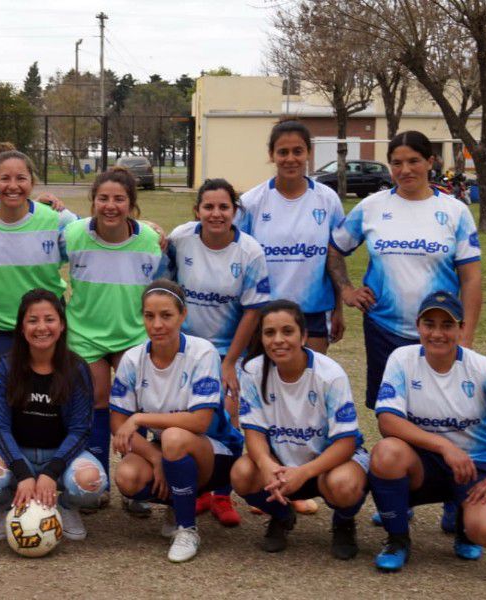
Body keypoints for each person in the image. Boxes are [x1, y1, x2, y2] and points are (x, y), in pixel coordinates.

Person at [328, 130, 482, 530]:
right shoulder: (373, 206)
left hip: (441, 336)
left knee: (448, 415)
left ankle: (453, 496)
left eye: (413, 160)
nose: (405, 169)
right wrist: (346, 289)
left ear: (430, 162)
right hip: (386, 331)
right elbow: (335, 247)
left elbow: (471, 278)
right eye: (396, 161)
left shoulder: (454, 211)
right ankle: (402, 497)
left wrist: (466, 338)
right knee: (391, 417)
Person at [369, 292, 486, 571]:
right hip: (426, 462)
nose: (437, 333)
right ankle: (397, 539)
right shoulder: (402, 359)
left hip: (475, 465)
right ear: (418, 326)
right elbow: (388, 421)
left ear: (462, 328)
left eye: (448, 325)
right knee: (385, 453)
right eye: (429, 324)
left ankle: (463, 518)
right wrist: (443, 446)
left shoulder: (480, 367)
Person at [237, 119, 346, 517]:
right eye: (282, 151)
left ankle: (300, 484)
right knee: (267, 402)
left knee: (305, 404)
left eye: (297, 151)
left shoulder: (328, 200)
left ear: (308, 154)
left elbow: (334, 254)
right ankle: (271, 485)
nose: (290, 158)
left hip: (312, 312)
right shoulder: (252, 202)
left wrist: (337, 303)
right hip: (264, 319)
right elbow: (235, 248)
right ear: (272, 155)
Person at [110, 280, 243, 563]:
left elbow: (200, 421)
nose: (157, 324)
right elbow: (118, 424)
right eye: (149, 316)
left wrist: (140, 417)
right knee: (127, 475)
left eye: (166, 315)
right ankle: (176, 504)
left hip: (219, 453)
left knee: (173, 436)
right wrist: (154, 457)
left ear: (183, 316)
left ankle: (187, 529)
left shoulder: (202, 352)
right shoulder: (133, 359)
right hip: (170, 449)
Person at [166, 177, 271, 526]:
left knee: (228, 411)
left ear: (234, 211)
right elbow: (163, 287)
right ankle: (196, 491)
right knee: (180, 410)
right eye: (208, 206)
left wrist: (229, 363)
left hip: (228, 349)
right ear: (197, 210)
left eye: (223, 206)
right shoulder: (181, 239)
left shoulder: (251, 251)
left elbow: (253, 311)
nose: (216, 213)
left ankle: (223, 495)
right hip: (185, 346)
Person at [231, 300, 368, 560]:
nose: (278, 340)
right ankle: (282, 516)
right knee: (242, 473)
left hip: (326, 465)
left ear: (303, 335)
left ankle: (343, 521)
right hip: (282, 465)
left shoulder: (330, 374)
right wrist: (266, 464)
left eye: (287, 331)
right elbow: (254, 433)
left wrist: (303, 473)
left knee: (344, 485)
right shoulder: (252, 371)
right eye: (269, 333)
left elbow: (346, 442)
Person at [0, 289, 107, 543]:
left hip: (60, 455)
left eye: (49, 319)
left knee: (93, 482)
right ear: (21, 327)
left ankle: (65, 507)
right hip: (18, 452)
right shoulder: (6, 366)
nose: (41, 327)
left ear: (62, 325)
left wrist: (51, 472)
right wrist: (22, 473)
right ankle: (9, 508)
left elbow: (80, 430)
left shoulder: (77, 368)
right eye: (33, 320)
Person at [61, 167, 164, 499]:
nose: (110, 206)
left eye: (119, 199)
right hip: (86, 334)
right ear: (93, 202)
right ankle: (99, 482)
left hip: (133, 335)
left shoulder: (150, 240)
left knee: (137, 406)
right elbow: (44, 256)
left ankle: (139, 484)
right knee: (97, 401)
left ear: (131, 205)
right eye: (103, 198)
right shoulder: (74, 234)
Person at [0, 150, 77, 384]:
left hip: (44, 322)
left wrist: (144, 225)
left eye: (21, 178)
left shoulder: (58, 219)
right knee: (3, 390)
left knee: (46, 395)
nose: (13, 186)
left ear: (32, 182)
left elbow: (98, 233)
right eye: (5, 178)